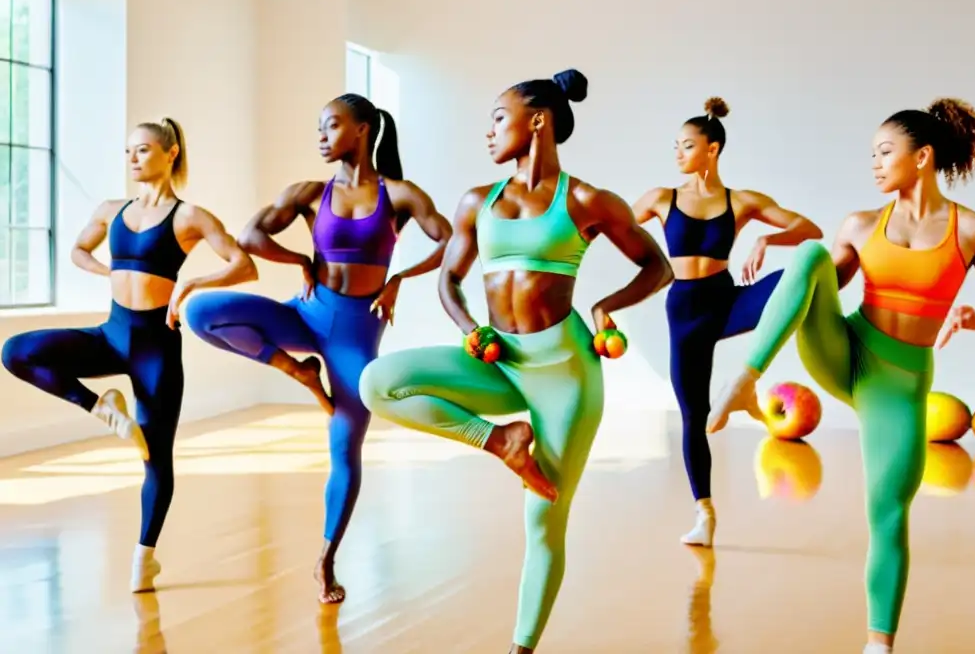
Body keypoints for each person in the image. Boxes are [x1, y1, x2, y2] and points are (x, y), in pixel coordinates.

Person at [359, 69, 674, 653]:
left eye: (497, 118)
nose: (488, 132)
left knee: (543, 520)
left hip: (565, 373)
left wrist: (607, 307)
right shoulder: (478, 202)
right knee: (378, 382)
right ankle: (501, 441)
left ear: (537, 120)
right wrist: (468, 328)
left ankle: (521, 649)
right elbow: (449, 281)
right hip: (498, 360)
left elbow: (659, 267)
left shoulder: (586, 201)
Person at [706, 98, 975, 653]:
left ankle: (879, 645)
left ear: (921, 157)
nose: (874, 164)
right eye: (871, 154)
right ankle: (744, 380)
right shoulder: (859, 224)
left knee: (889, 511)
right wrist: (771, 240)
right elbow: (820, 283)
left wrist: (972, 316)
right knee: (807, 254)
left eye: (884, 152)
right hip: (844, 348)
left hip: (897, 384)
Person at [183, 93, 452, 605]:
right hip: (307, 312)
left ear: (363, 130)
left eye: (331, 126)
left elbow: (455, 239)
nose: (322, 137)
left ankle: (326, 559)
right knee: (200, 312)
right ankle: (299, 373)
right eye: (320, 128)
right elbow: (251, 234)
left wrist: (399, 279)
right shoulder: (309, 192)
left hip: (355, 332)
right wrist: (299, 262)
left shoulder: (399, 195)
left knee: (345, 447)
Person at [1, 118, 258, 593]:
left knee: (156, 457)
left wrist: (194, 284)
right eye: (127, 152)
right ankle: (101, 407)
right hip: (111, 333)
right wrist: (111, 272)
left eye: (141, 150)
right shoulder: (112, 209)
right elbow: (78, 249)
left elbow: (245, 265)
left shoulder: (189, 217)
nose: (132, 159)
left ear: (171, 152)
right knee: (16, 351)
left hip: (157, 347)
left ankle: (145, 558)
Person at [631, 97, 822, 546]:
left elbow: (809, 231)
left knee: (801, 271)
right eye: (675, 146)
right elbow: (610, 226)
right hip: (684, 311)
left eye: (686, 145)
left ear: (712, 148)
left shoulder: (743, 201)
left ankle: (747, 382)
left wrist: (768, 240)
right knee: (693, 417)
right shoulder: (662, 197)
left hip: (726, 300)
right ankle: (705, 514)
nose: (677, 154)